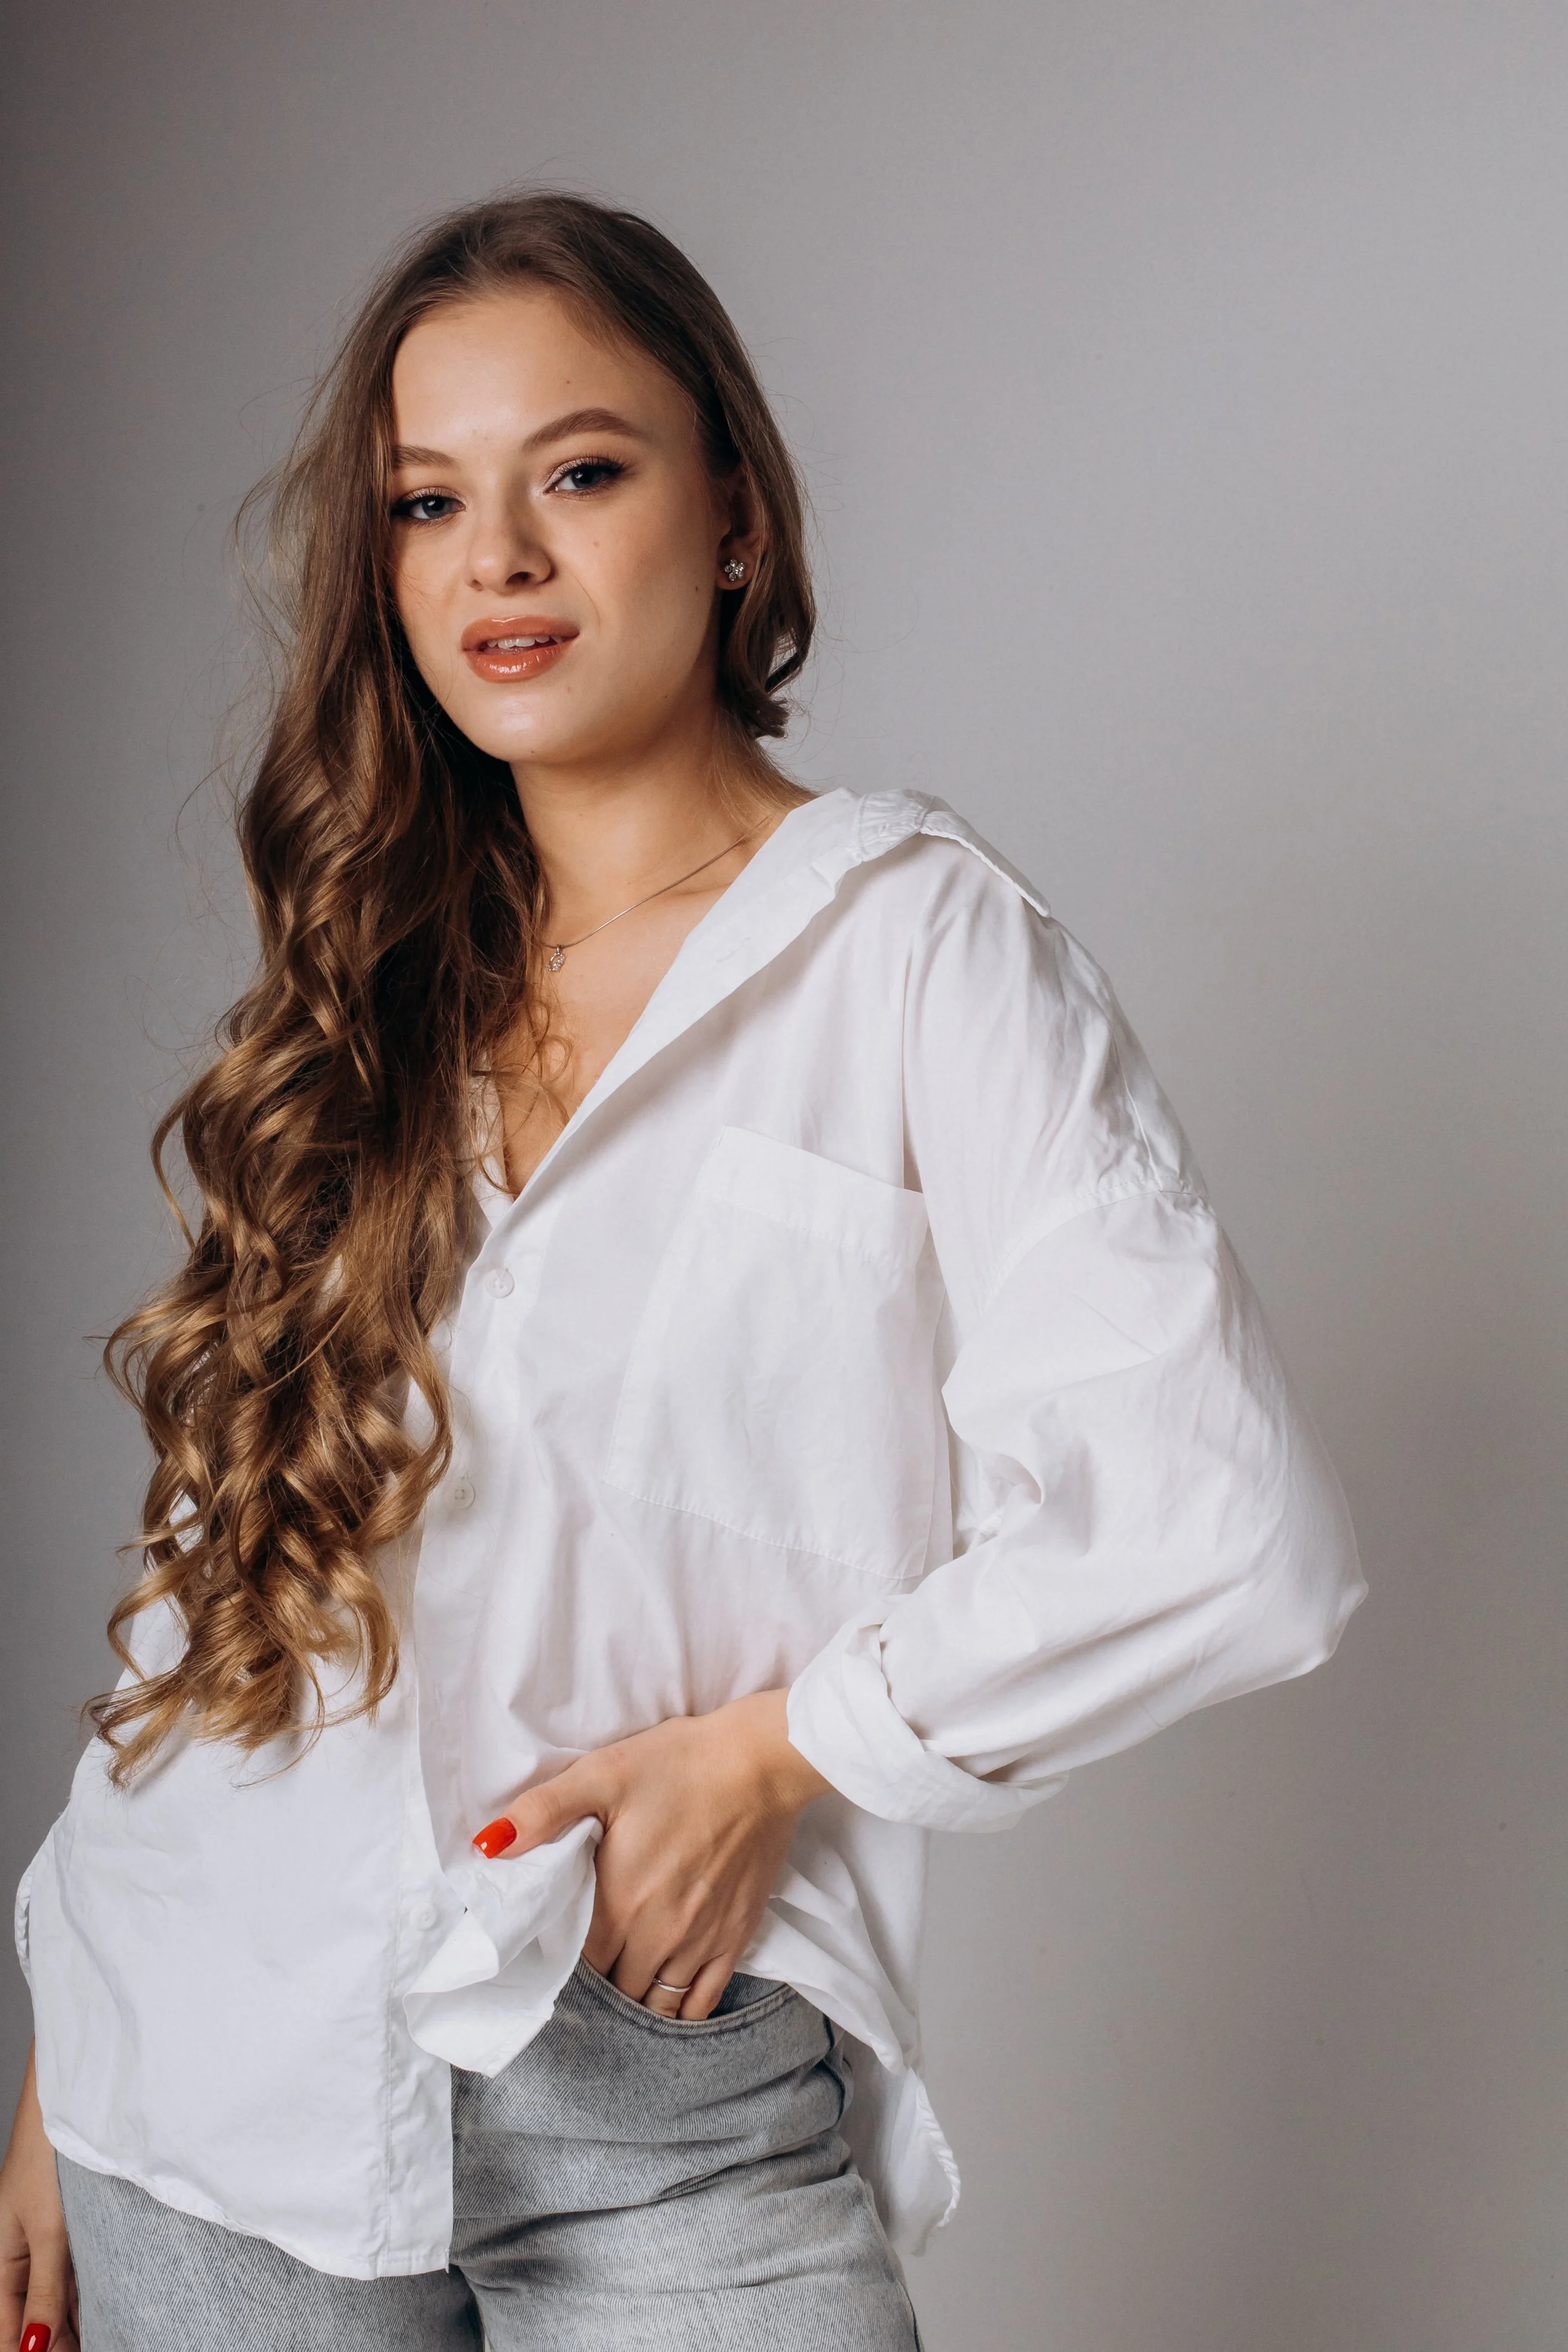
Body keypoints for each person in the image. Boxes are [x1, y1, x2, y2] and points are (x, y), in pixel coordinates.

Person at [0, 189, 1364, 2352]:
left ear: (733, 514)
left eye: (582, 471)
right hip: (205, 2055)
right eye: (428, 501)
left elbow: (1222, 1528)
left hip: (649, 2067)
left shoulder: (910, 943)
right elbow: (227, 1557)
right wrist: (68, 2049)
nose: (497, 560)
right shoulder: (376, 985)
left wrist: (778, 1750)